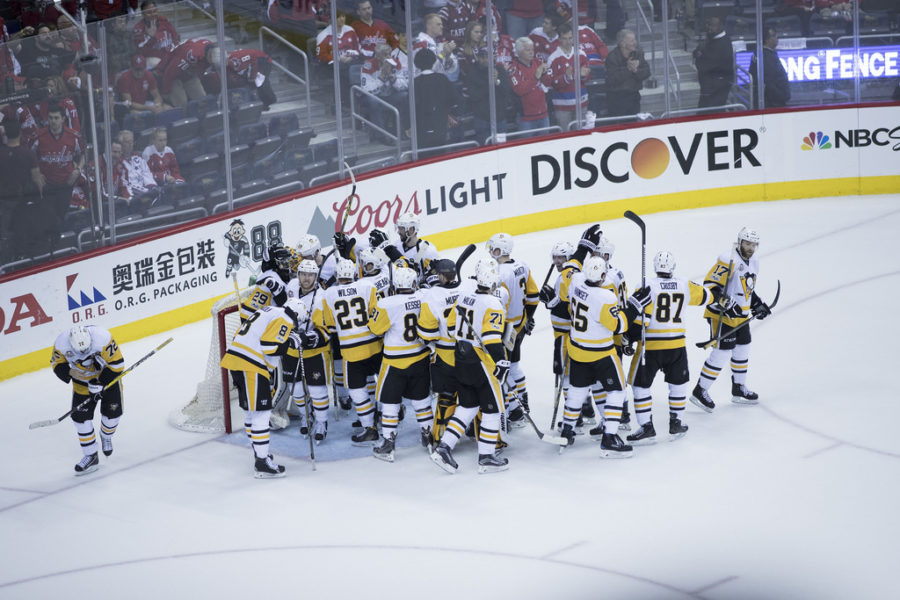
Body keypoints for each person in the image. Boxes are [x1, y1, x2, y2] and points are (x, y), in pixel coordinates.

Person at [624, 251, 723, 445]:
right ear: (673, 267)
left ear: (655, 267)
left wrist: (628, 338)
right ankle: (676, 422)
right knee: (678, 384)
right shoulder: (684, 284)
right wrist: (719, 297)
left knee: (640, 386)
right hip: (676, 346)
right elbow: (707, 296)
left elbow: (640, 320)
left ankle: (646, 427)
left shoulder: (645, 285)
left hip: (650, 346)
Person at [430, 258, 510, 474]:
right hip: (481, 363)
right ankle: (486, 457)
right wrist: (501, 361)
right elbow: (492, 339)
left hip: (461, 358)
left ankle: (444, 448)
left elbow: (451, 328)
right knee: (492, 410)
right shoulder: (493, 303)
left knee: (468, 407)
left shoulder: (464, 296)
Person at [221, 299, 307, 477]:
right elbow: (270, 347)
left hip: (237, 362)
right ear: (296, 315)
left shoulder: (268, 311)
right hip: (251, 366)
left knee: (251, 413)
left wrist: (287, 338)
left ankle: (260, 455)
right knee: (261, 414)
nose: (293, 326)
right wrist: (291, 342)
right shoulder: (285, 317)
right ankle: (261, 463)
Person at [558, 255, 634, 457]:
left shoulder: (575, 282)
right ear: (602, 276)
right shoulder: (605, 297)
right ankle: (610, 437)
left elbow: (569, 270)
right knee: (617, 390)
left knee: (577, 390)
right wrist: (634, 307)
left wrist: (583, 248)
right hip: (601, 353)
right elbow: (618, 326)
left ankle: (567, 430)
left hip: (577, 350)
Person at [691, 227, 771, 412]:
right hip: (722, 315)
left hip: (740, 316)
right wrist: (727, 304)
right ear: (740, 242)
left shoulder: (754, 261)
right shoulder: (728, 259)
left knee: (743, 348)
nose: (750, 248)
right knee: (722, 352)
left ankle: (739, 388)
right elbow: (710, 286)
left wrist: (757, 303)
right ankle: (700, 390)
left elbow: (746, 289)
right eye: (747, 243)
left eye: (753, 245)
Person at [368, 267, 434, 461]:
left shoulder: (386, 304)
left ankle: (388, 444)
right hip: (420, 357)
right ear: (413, 283)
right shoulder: (425, 296)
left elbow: (375, 329)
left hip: (394, 361)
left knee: (390, 403)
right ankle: (429, 437)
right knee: (422, 400)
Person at [316, 258, 383, 445]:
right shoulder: (368, 286)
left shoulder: (328, 294)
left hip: (351, 350)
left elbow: (330, 325)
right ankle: (386, 415)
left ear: (337, 276)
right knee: (382, 383)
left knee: (356, 390)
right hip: (374, 345)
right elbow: (377, 315)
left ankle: (369, 427)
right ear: (354, 274)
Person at [50, 325, 126, 475]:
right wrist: (70, 372)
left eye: (86, 349)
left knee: (112, 416)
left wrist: (101, 383)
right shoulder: (61, 344)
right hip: (82, 384)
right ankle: (91, 455)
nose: (84, 353)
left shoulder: (103, 338)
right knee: (80, 420)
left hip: (108, 381)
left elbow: (118, 365)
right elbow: (56, 364)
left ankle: (106, 436)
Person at [486, 232, 538, 426]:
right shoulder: (522, 265)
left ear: (502, 250)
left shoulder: (499, 273)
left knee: (504, 369)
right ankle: (522, 403)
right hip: (520, 324)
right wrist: (528, 318)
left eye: (494, 249)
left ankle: (513, 410)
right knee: (514, 365)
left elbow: (496, 304)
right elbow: (534, 296)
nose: (491, 252)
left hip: (505, 328)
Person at [283, 259, 331, 442]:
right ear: (298, 274)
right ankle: (306, 416)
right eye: (303, 274)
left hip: (314, 352)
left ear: (316, 276)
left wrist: (308, 338)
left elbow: (327, 330)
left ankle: (322, 422)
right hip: (291, 349)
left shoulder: (321, 298)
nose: (306, 278)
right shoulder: (291, 286)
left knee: (317, 391)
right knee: (295, 390)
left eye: (310, 275)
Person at [418, 258, 463, 445]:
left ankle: (442, 437)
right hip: (469, 354)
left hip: (445, 355)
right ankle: (477, 433)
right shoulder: (467, 288)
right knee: (472, 396)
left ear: (441, 276)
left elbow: (427, 333)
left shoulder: (431, 296)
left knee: (446, 396)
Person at [32, 105, 82, 234]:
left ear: (63, 119)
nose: (53, 121)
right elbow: (29, 156)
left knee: (62, 216)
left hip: (66, 184)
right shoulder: (39, 136)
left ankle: (61, 240)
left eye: (56, 118)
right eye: (50, 118)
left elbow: (84, 153)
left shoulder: (73, 136)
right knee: (48, 218)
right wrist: (36, 173)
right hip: (47, 185)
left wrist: (78, 170)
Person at [0, 118, 43, 262]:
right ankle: (22, 260)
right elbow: (37, 179)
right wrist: (41, 197)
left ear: (5, 133)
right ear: (20, 133)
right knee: (22, 234)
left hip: (4, 203)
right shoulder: (28, 154)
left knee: (5, 235)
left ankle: (6, 262)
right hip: (23, 202)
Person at [368, 211, 441, 282]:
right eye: (399, 228)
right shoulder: (397, 244)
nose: (398, 232)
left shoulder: (427, 250)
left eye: (401, 228)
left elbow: (435, 275)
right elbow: (392, 266)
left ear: (411, 230)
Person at [410, 48, 460, 149]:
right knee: (441, 151)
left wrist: (408, 125)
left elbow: (411, 105)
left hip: (421, 124)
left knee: (424, 153)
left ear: (417, 63)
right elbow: (453, 98)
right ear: (433, 61)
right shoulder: (442, 78)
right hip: (440, 121)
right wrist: (451, 113)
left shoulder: (415, 82)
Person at [464, 46, 514, 144]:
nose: (488, 60)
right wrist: (489, 83)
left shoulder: (500, 70)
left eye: (491, 56)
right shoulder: (472, 74)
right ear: (479, 58)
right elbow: (474, 96)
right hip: (482, 120)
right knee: (485, 148)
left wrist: (497, 81)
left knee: (502, 147)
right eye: (485, 57)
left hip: (500, 118)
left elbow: (507, 91)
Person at [546, 23, 590, 130]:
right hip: (562, 106)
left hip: (581, 103)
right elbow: (551, 82)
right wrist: (565, 77)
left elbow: (587, 77)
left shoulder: (581, 54)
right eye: (565, 39)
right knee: (566, 135)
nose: (568, 41)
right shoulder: (553, 58)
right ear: (559, 39)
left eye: (570, 38)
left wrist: (583, 76)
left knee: (582, 134)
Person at [508, 37, 550, 135]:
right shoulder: (513, 68)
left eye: (532, 50)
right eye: (528, 50)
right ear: (519, 52)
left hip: (543, 114)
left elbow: (548, 83)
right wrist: (535, 77)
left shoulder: (538, 62)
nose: (531, 52)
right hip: (526, 119)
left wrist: (545, 74)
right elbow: (519, 90)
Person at [157, 38, 214, 109]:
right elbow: (170, 72)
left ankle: (202, 114)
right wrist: (165, 91)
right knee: (182, 103)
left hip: (188, 72)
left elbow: (202, 71)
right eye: (210, 57)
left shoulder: (212, 52)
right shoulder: (192, 55)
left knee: (203, 100)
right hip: (171, 72)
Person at [605, 29, 650, 117]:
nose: (635, 43)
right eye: (631, 41)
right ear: (623, 44)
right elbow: (612, 79)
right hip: (616, 99)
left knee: (634, 122)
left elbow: (647, 72)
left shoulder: (638, 54)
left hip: (634, 96)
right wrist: (628, 69)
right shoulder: (612, 57)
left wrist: (635, 70)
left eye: (635, 39)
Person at [693, 17, 734, 109]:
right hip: (708, 85)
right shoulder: (711, 37)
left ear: (721, 26)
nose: (709, 28)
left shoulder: (723, 44)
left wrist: (699, 58)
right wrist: (699, 55)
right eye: (708, 25)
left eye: (713, 25)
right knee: (703, 110)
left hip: (717, 86)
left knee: (712, 111)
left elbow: (706, 64)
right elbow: (696, 52)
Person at [113, 129, 158, 211]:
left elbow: (146, 173)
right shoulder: (117, 162)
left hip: (146, 192)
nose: (131, 144)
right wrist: (138, 195)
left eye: (132, 141)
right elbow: (124, 185)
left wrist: (152, 187)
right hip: (133, 197)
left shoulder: (138, 156)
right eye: (127, 142)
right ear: (120, 144)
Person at [750, 28, 790, 109]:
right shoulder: (765, 56)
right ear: (767, 39)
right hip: (772, 104)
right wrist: (780, 97)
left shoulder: (763, 53)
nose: (777, 38)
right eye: (774, 36)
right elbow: (769, 82)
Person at [134, 0, 180, 69]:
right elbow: (141, 52)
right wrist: (150, 37)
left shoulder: (164, 20)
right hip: (154, 60)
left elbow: (175, 36)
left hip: (170, 55)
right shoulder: (138, 28)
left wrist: (177, 48)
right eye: (149, 12)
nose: (153, 14)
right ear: (143, 14)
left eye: (154, 11)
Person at [413, 14, 459, 80]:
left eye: (442, 24)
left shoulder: (442, 42)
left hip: (439, 81)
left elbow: (452, 69)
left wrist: (448, 57)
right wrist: (443, 53)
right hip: (425, 82)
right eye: (438, 24)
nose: (442, 27)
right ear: (428, 26)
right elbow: (428, 69)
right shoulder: (420, 43)